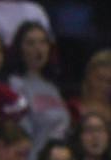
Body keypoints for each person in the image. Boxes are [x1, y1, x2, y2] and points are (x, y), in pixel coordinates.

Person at [4, 20, 66, 152]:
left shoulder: (52, 86)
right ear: (20, 48)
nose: (38, 49)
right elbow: (21, 133)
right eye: (31, 43)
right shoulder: (15, 84)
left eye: (43, 42)